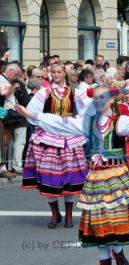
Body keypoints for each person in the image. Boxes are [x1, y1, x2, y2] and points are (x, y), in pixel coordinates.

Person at [15, 84, 129, 265]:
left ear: (112, 100)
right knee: (99, 222)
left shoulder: (119, 121)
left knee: (114, 222)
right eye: (96, 98)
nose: (98, 101)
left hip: (116, 178)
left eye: (102, 98)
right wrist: (33, 115)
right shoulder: (87, 122)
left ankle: (119, 253)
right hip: (95, 179)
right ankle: (107, 260)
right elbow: (62, 122)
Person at [22, 64, 88, 229]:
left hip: (68, 136)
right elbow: (32, 112)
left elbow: (87, 110)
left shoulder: (75, 92)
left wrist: (76, 120)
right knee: (49, 175)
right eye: (53, 72)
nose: (56, 74)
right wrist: (45, 122)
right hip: (50, 136)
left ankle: (68, 215)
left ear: (65, 74)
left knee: (70, 175)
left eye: (59, 72)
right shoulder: (44, 92)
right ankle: (55, 214)